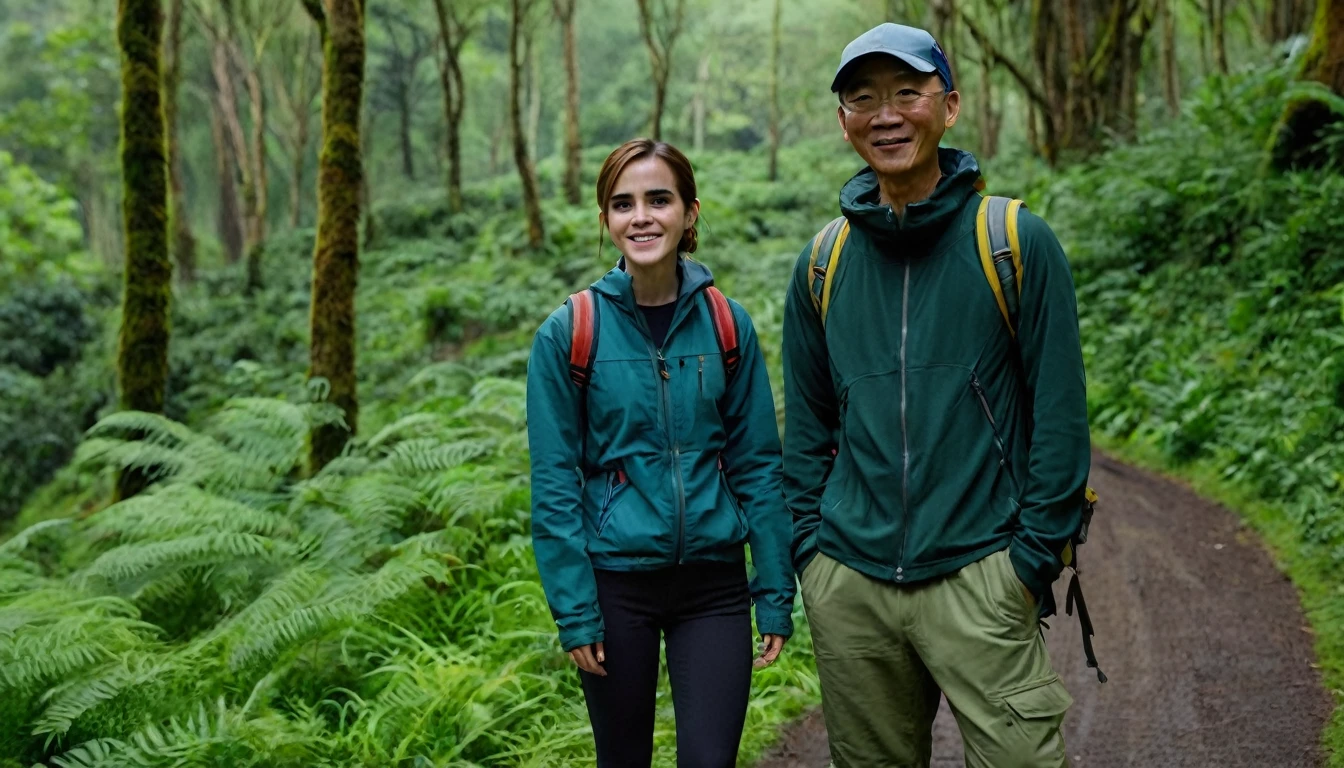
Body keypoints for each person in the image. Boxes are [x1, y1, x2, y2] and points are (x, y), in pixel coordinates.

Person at [782, 22, 1092, 768]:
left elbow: (1059, 416)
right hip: (851, 583)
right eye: (864, 98)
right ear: (844, 121)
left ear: (948, 106)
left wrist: (1028, 562)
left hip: (983, 570)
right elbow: (807, 429)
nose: (886, 114)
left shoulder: (1014, 240)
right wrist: (811, 557)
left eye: (907, 93)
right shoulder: (823, 263)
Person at [526, 138, 795, 768]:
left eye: (658, 199)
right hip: (616, 587)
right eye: (623, 203)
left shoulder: (728, 323)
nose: (641, 216)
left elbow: (757, 463)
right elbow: (556, 484)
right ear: (605, 221)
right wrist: (574, 611)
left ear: (689, 212)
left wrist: (775, 588)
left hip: (714, 587)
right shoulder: (569, 333)